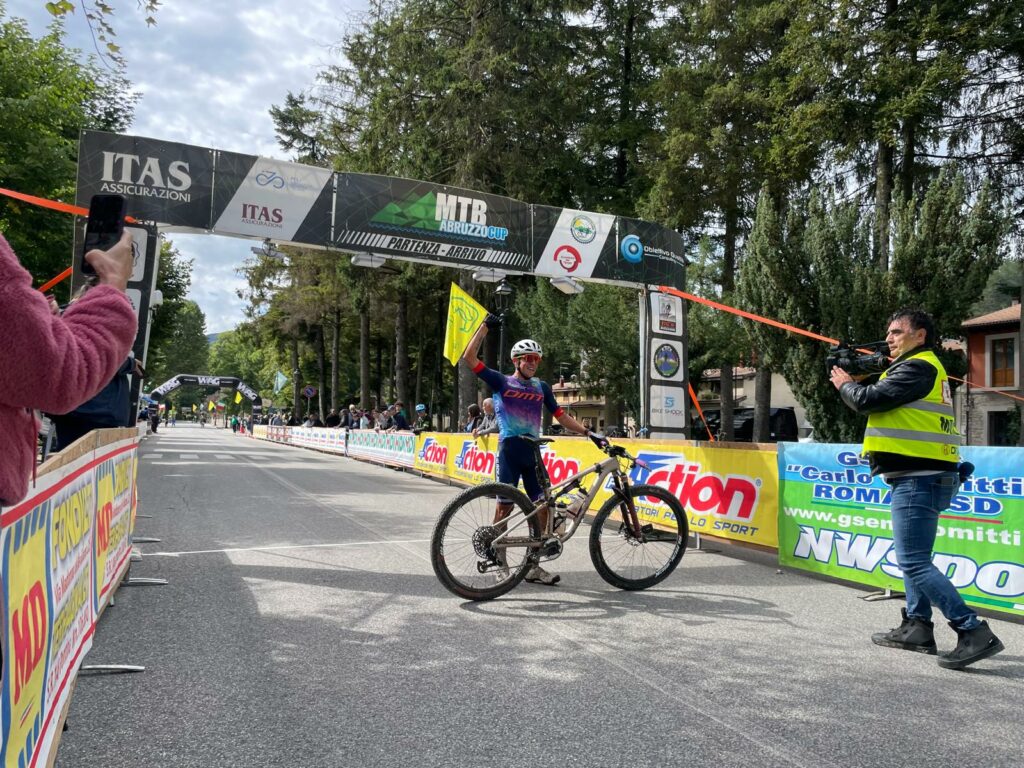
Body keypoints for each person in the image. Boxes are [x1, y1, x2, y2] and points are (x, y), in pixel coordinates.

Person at [830, 308, 1004, 670]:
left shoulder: (917, 367)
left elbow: (867, 400)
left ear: (920, 335)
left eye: (896, 332)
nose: (889, 338)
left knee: (913, 560)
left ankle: (972, 629)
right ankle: (918, 626)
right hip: (923, 475)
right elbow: (882, 366)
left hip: (918, 478)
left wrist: (845, 383)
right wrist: (859, 361)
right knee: (914, 557)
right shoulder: (917, 366)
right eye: (888, 333)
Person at [0, 231, 137, 506]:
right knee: (78, 483)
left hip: (96, 416)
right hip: (83, 412)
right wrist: (113, 282)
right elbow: (58, 372)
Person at [462, 325, 603, 586]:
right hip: (509, 451)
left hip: (532, 454)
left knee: (543, 509)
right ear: (516, 361)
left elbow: (561, 416)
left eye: (536, 359)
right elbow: (469, 358)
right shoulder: (502, 381)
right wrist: (484, 328)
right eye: (527, 359)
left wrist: (587, 432)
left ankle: (532, 567)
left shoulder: (542, 387)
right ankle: (499, 561)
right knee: (504, 508)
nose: (532, 363)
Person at [49, 354, 143, 450]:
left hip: (86, 409)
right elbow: (102, 355)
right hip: (94, 410)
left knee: (74, 456)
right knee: (80, 457)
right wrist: (130, 363)